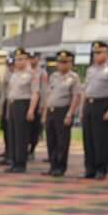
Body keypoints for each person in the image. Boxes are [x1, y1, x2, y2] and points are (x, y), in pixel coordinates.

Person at [81, 41, 108, 178]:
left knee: (101, 139)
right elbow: (85, 91)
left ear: (107, 52)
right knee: (88, 139)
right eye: (94, 52)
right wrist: (82, 109)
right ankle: (89, 168)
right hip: (89, 104)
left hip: (103, 104)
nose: (96, 55)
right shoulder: (90, 69)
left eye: (99, 52)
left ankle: (101, 169)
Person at [41, 49, 80, 177]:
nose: (62, 64)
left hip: (63, 111)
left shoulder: (73, 77)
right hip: (51, 111)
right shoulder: (53, 76)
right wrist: (45, 113)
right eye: (59, 62)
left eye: (65, 62)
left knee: (62, 141)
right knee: (51, 140)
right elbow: (48, 95)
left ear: (70, 63)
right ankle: (52, 165)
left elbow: (75, 97)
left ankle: (60, 167)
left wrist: (70, 114)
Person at [3, 49, 39, 172]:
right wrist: (8, 111)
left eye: (21, 59)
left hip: (23, 105)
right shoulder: (14, 74)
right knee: (12, 135)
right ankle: (13, 162)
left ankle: (21, 163)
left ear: (27, 59)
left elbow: (35, 93)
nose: (18, 62)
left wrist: (31, 110)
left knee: (21, 136)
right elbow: (10, 94)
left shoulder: (32, 74)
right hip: (13, 105)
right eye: (17, 59)